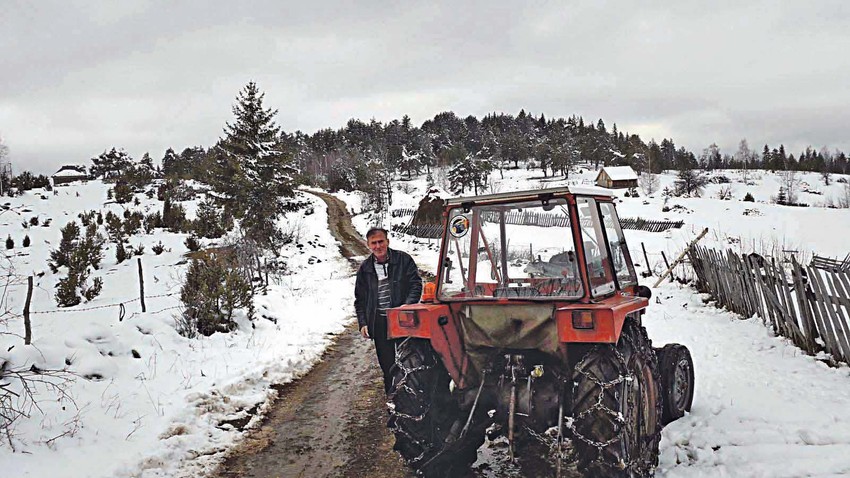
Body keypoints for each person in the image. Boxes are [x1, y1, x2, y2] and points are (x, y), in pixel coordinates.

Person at [354, 227, 422, 394]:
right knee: (388, 366)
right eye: (374, 243)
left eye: (381, 241)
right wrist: (363, 322)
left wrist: (407, 305)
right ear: (368, 245)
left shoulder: (403, 260)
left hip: (402, 320)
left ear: (387, 241)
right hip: (379, 322)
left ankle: (414, 399)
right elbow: (360, 299)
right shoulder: (365, 269)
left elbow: (415, 284)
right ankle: (393, 400)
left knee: (410, 363)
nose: (378, 246)